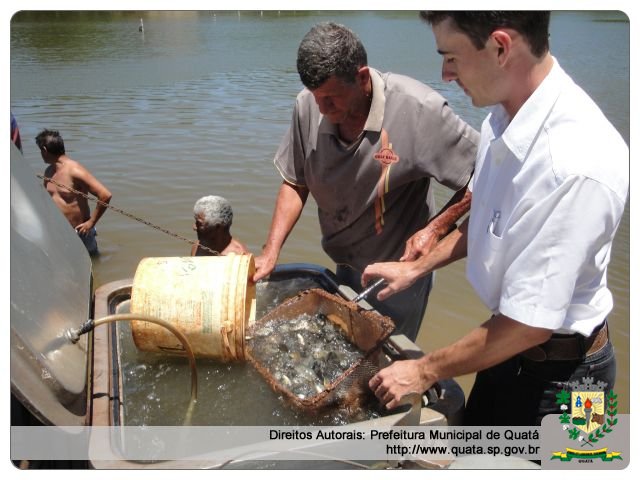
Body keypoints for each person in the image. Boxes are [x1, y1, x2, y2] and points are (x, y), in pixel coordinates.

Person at [363, 12, 628, 426]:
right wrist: (415, 268)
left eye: (451, 57)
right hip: (504, 353)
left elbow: (530, 325)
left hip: (574, 381)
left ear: (502, 47)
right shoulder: (502, 119)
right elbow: (491, 220)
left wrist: (423, 369)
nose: (445, 74)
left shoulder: (574, 164)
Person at [254, 22, 478, 341]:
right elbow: (295, 182)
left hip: (398, 275)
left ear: (361, 78)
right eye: (316, 97)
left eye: (331, 98)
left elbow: (485, 173)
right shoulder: (308, 105)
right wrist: (271, 251)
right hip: (345, 263)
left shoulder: (419, 109)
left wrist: (436, 229)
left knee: (383, 364)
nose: (322, 109)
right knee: (343, 347)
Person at [35, 129, 112, 256]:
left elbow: (105, 195)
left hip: (81, 233)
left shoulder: (75, 171)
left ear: (44, 149)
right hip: (59, 233)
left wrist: (91, 223)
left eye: (40, 151)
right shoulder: (49, 171)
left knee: (92, 265)